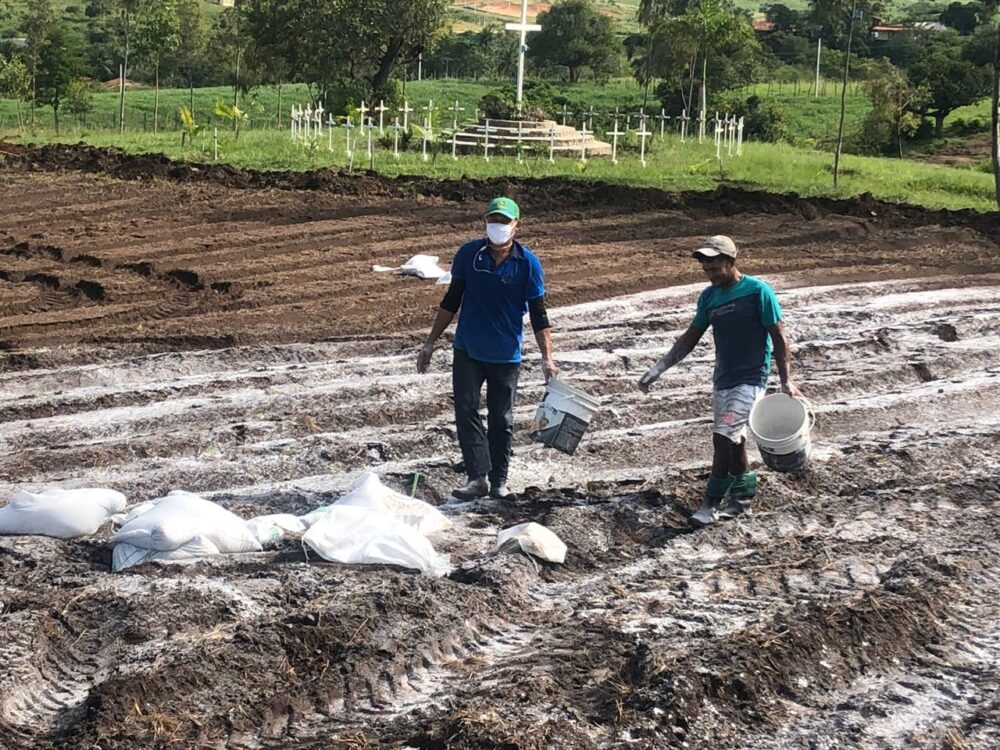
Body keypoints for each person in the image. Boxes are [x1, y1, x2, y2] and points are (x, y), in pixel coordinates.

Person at [637, 235, 802, 526]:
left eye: (715, 268)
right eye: (706, 269)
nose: (710, 273)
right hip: (723, 377)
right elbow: (691, 337)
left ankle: (709, 504)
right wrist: (659, 367)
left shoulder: (757, 292)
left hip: (752, 377)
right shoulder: (709, 297)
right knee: (735, 441)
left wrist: (787, 380)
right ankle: (742, 501)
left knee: (722, 436)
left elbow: (779, 336)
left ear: (731, 262)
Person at [417, 197, 558, 500]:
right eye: (493, 220)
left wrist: (548, 357)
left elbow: (539, 314)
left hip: (506, 354)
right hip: (468, 348)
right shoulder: (469, 255)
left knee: (501, 418)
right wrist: (430, 342)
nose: (498, 226)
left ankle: (498, 480)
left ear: (516, 226)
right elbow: (451, 301)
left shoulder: (528, 264)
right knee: (465, 409)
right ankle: (477, 476)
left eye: (504, 222)